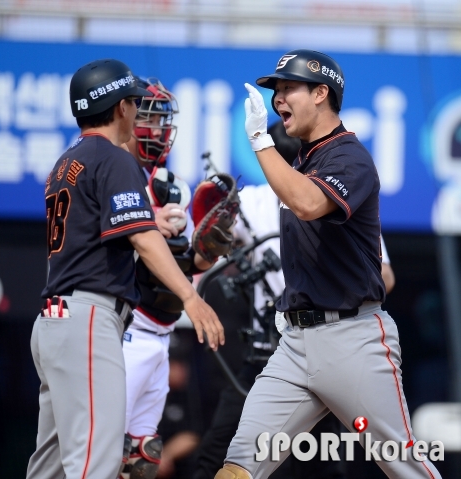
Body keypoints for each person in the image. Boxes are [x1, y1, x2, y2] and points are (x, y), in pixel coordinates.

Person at [214, 50, 441, 479]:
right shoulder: (305, 158)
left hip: (352, 338)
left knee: (405, 467)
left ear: (321, 93)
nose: (277, 99)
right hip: (295, 345)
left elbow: (306, 202)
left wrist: (260, 142)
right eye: (275, 90)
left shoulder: (349, 156)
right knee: (238, 467)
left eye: (287, 88)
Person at [26, 59, 224, 479]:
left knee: (51, 463)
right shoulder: (114, 159)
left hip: (54, 318)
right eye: (134, 102)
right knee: (96, 462)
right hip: (89, 319)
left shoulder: (66, 162)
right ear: (119, 108)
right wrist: (191, 296)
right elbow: (144, 239)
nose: (137, 111)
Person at [195, 120, 396, 479]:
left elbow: (386, 276)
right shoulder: (254, 200)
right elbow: (205, 247)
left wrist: (334, 280)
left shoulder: (340, 191)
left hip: (337, 340)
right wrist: (212, 223)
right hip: (271, 348)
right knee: (226, 456)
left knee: (334, 462)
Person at [119, 77, 222, 478]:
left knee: (143, 457)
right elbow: (102, 247)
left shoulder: (174, 185)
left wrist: (210, 246)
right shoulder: (113, 175)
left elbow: (191, 265)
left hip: (163, 333)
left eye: (163, 122)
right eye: (149, 120)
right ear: (125, 116)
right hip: (123, 328)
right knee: (104, 447)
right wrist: (147, 226)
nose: (159, 132)